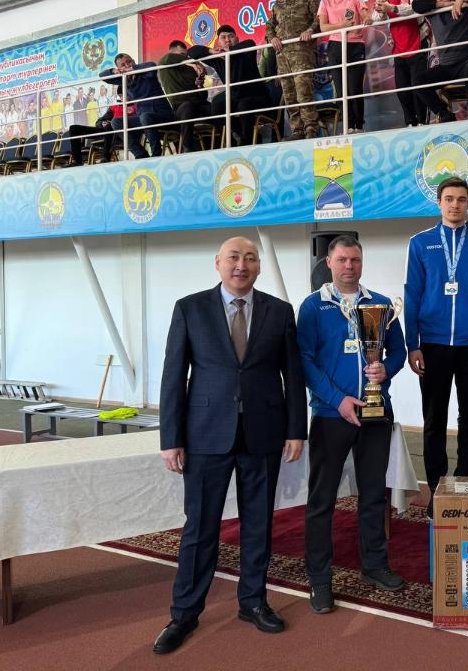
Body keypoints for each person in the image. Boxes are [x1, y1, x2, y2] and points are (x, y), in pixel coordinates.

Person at [153, 237, 307, 654]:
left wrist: (297, 429)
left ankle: (253, 601)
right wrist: (172, 438)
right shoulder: (190, 308)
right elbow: (173, 375)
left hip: (264, 432)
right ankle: (184, 614)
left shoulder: (279, 311)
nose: (242, 265)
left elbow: (293, 375)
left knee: (259, 523)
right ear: (218, 263)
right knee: (200, 528)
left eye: (250, 258)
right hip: (205, 434)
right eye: (234, 258)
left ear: (259, 266)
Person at [296, 235, 407, 614]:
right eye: (342, 259)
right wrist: (337, 399)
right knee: (322, 498)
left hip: (376, 414)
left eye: (355, 260)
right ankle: (319, 577)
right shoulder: (314, 306)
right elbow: (305, 360)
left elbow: (399, 351)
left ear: (362, 262)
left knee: (374, 494)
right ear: (328, 262)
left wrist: (385, 369)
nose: (349, 266)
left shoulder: (380, 303)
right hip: (332, 415)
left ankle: (374, 564)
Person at [404, 178, 468, 515]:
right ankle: (437, 488)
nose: (455, 205)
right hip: (432, 344)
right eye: (449, 199)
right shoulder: (420, 242)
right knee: (434, 419)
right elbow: (412, 293)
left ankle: (463, 480)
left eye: (461, 199)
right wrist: (412, 344)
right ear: (439, 202)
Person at [411, 0, 468, 122]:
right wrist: (442, 4)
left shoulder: (467, 6)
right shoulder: (433, 9)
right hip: (446, 67)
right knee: (418, 81)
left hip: (466, 62)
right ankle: (445, 113)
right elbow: (416, 4)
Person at [188, 26, 273, 147]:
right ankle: (235, 139)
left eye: (231, 36)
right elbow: (192, 51)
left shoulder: (245, 51)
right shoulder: (217, 59)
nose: (227, 40)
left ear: (237, 39)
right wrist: (211, 51)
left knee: (243, 105)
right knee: (217, 106)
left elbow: (250, 43)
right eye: (223, 37)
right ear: (218, 42)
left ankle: (247, 142)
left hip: (258, 97)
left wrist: (227, 51)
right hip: (236, 99)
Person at [265, 0, 322, 140]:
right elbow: (269, 26)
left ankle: (311, 128)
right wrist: (272, 38)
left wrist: (310, 30)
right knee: (289, 95)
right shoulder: (278, 3)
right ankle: (297, 130)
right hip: (283, 57)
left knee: (304, 91)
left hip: (302, 53)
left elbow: (320, 18)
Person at [373, 0, 428, 127]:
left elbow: (416, 7)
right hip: (398, 46)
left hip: (418, 42)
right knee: (402, 90)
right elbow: (376, 16)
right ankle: (410, 123)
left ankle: (422, 122)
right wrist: (380, 12)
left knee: (419, 86)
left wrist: (392, 8)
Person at [319, 0, 371, 133]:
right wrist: (342, 25)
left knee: (355, 88)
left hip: (355, 45)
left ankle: (359, 126)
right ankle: (348, 126)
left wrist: (367, 18)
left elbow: (364, 13)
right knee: (342, 90)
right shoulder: (325, 1)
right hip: (335, 46)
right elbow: (323, 27)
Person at [99, 53, 176, 158]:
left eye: (129, 62)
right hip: (143, 118)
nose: (127, 65)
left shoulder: (145, 73)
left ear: (134, 61)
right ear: (119, 69)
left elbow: (152, 65)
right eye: (123, 65)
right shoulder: (124, 79)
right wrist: (114, 71)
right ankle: (140, 154)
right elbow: (102, 76)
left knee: (145, 117)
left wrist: (132, 69)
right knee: (115, 122)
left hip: (162, 115)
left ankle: (156, 155)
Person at [158, 40, 209, 153]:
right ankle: (187, 147)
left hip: (198, 104)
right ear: (172, 52)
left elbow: (203, 97)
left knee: (216, 108)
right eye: (182, 54)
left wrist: (200, 85)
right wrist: (195, 62)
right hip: (180, 107)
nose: (185, 57)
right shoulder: (165, 65)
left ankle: (228, 140)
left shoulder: (190, 69)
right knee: (187, 106)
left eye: (186, 55)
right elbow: (167, 58)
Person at [65, 93, 131, 166]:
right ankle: (78, 161)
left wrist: (113, 123)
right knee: (73, 128)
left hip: (119, 133)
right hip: (105, 131)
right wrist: (102, 123)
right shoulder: (115, 107)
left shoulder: (135, 105)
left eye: (123, 95)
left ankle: (106, 158)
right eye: (120, 96)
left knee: (110, 125)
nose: (121, 98)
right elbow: (99, 121)